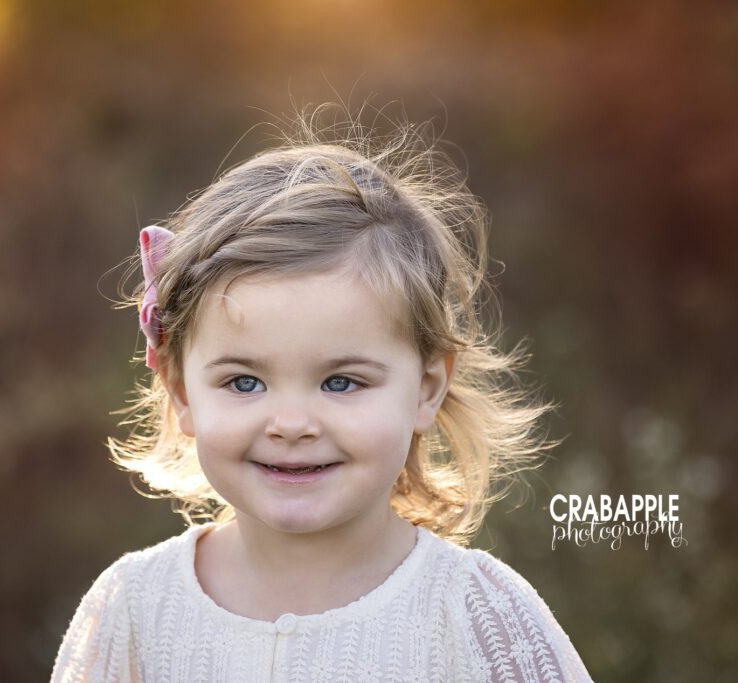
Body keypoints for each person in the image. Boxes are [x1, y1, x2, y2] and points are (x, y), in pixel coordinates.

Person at [50, 104, 594, 682]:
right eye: (244, 382)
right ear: (182, 392)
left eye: (341, 382)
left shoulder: (478, 616)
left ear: (425, 390)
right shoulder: (134, 611)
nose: (291, 423)